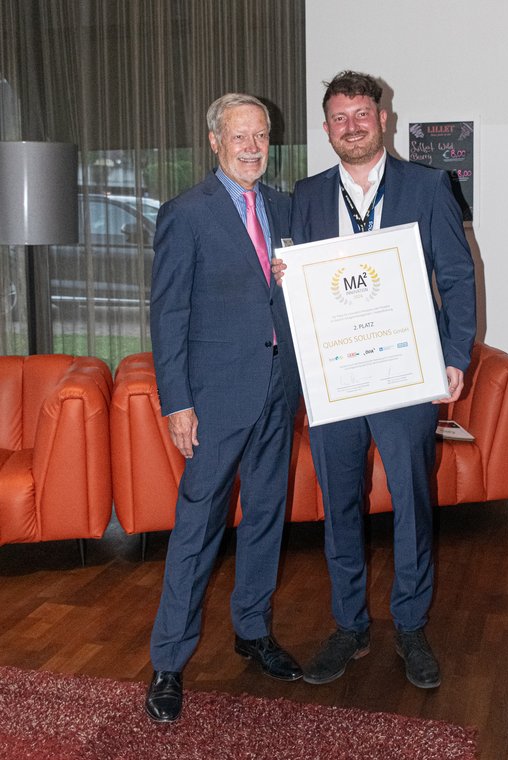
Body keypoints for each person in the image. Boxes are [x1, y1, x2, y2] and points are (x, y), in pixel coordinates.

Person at [273, 71, 476, 689]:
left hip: (406, 372)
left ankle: (410, 626)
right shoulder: (306, 196)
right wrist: (284, 276)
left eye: (362, 114)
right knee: (339, 502)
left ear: (383, 118)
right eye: (339, 118)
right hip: (335, 376)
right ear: (326, 128)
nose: (352, 126)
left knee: (412, 499)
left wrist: (454, 356)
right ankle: (350, 625)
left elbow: (458, 276)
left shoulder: (428, 186)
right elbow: (299, 286)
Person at [145, 93, 302, 724]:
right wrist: (177, 402)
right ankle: (168, 662)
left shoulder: (286, 208)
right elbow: (168, 314)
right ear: (215, 141)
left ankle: (253, 631)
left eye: (260, 135)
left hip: (278, 391)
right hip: (213, 399)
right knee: (197, 527)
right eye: (240, 136)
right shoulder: (186, 213)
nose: (252, 147)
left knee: (266, 516)